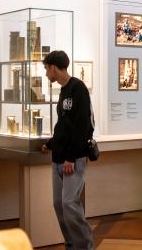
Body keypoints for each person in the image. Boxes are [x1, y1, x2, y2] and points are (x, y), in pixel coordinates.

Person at [41, 51, 93, 250]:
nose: (46, 74)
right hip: (59, 158)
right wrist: (51, 144)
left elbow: (82, 126)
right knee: (58, 204)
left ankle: (84, 245)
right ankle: (71, 244)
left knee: (69, 204)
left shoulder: (78, 88)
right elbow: (64, 125)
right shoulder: (63, 91)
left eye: (47, 69)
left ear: (54, 67)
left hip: (73, 159)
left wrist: (71, 157)